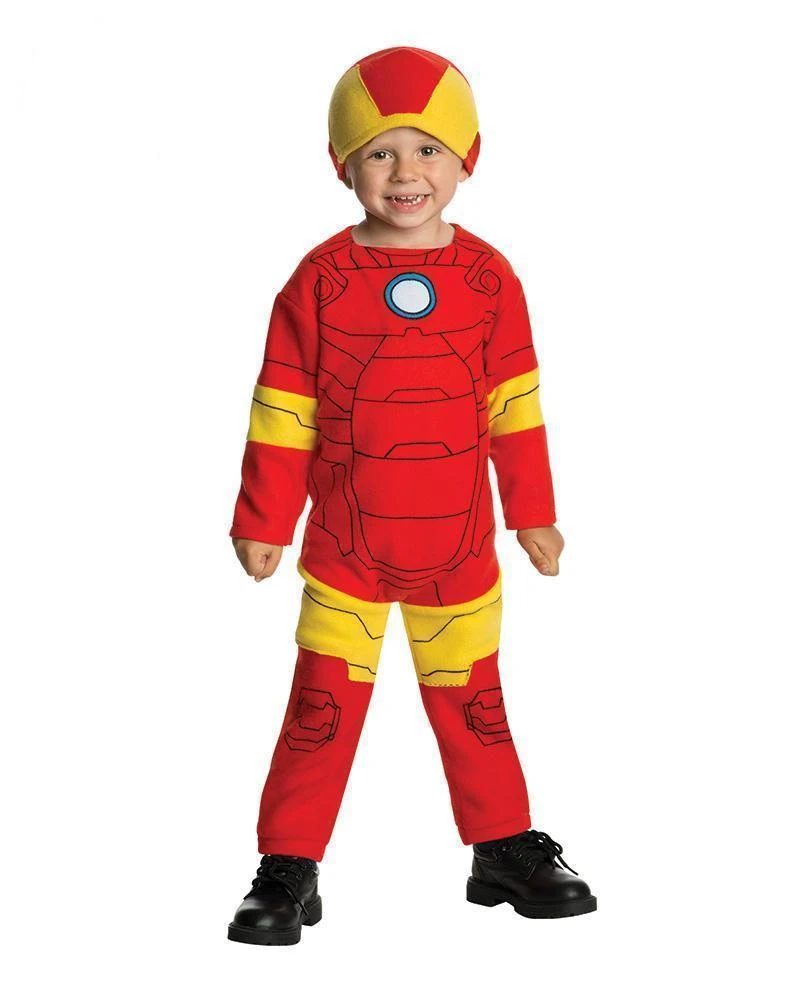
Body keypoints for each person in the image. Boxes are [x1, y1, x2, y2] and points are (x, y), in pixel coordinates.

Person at [227, 46, 596, 946]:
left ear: (468, 157)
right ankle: (288, 863)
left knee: (477, 707)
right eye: (380, 152)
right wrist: (264, 518)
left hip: (458, 553)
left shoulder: (490, 279)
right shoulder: (317, 281)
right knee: (319, 714)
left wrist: (533, 513)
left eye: (429, 149)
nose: (405, 172)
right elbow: (284, 408)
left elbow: (515, 405)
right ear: (342, 163)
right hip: (345, 553)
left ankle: (501, 845)